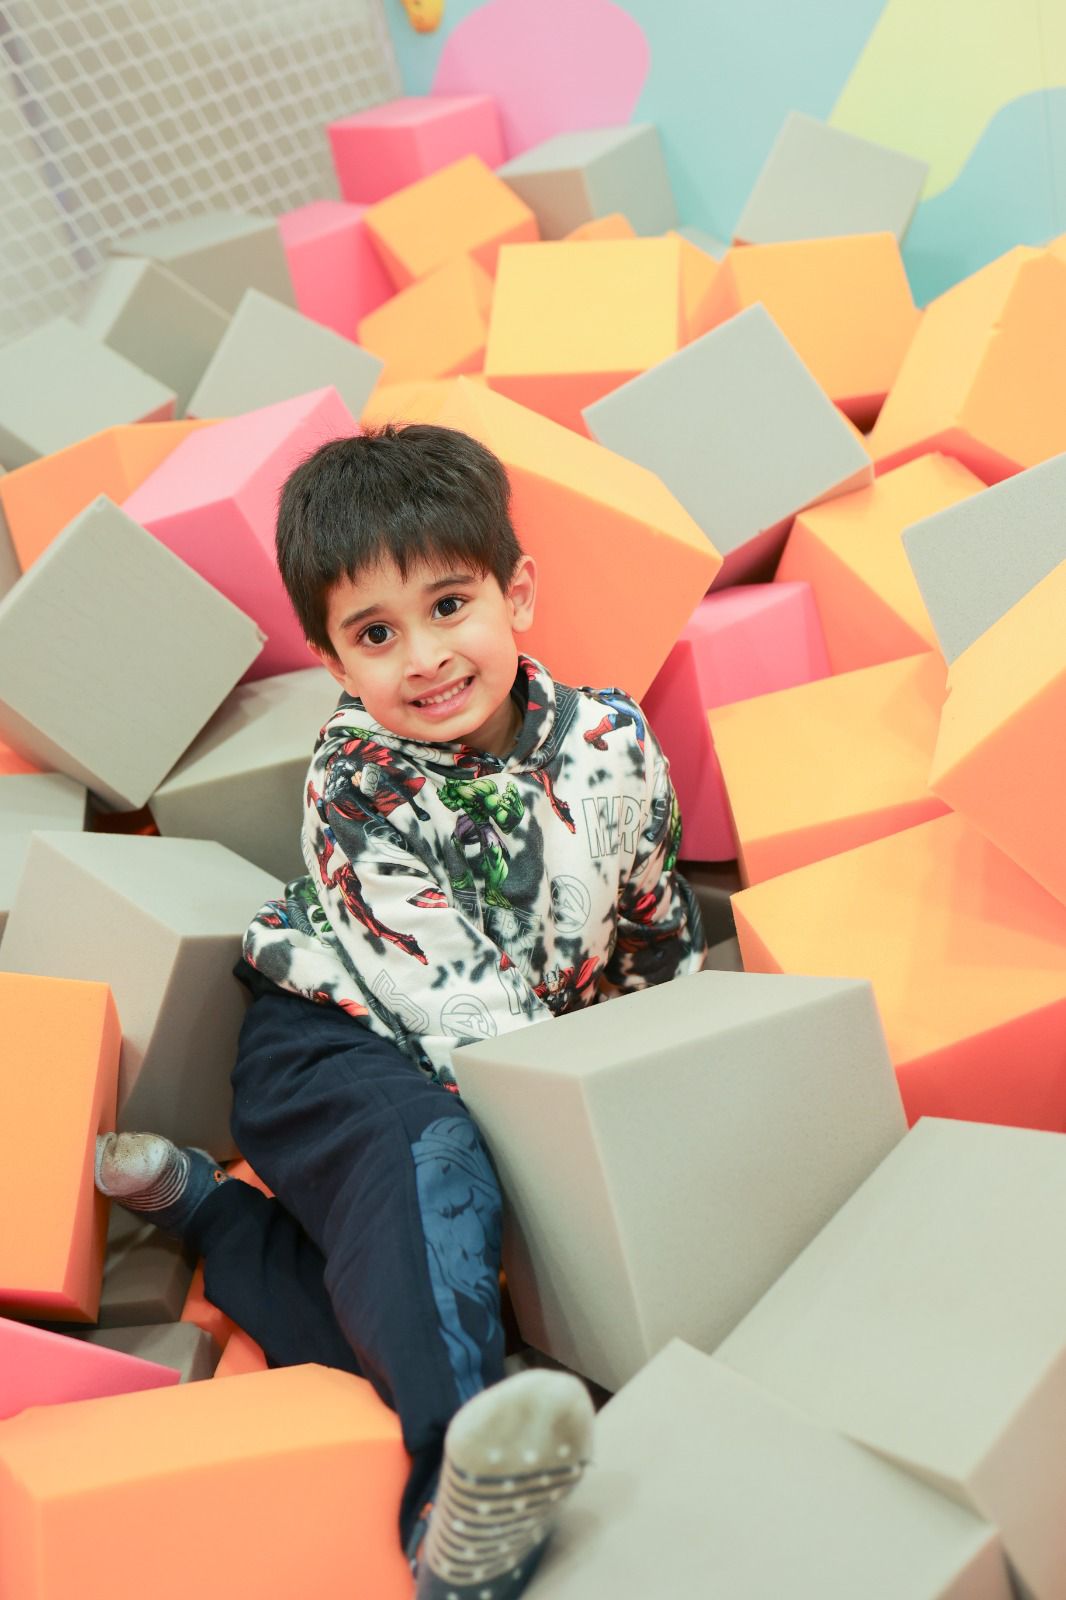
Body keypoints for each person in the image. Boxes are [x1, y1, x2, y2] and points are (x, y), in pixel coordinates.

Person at [95, 424, 706, 1598]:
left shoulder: (614, 742)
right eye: (376, 634)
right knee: (441, 1175)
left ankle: (225, 1227)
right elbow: (464, 1019)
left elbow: (649, 924)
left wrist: (658, 1106)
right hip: (339, 1047)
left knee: (438, 1304)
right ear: (333, 660)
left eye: (448, 605)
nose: (423, 657)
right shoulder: (358, 778)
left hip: (525, 1059)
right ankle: (448, 1505)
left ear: (515, 593)